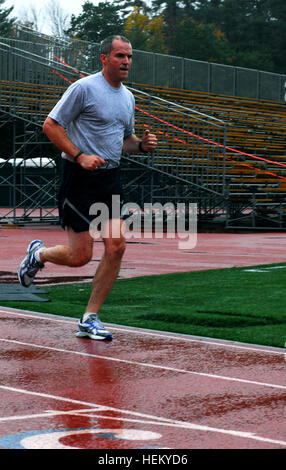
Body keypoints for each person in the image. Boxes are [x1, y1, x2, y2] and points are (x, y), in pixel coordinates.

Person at [17, 35, 157, 341]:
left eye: (130, 56)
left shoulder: (128, 98)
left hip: (110, 178)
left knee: (116, 246)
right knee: (80, 256)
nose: (127, 62)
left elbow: (125, 141)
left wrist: (142, 146)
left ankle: (89, 317)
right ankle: (38, 255)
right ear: (105, 58)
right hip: (78, 177)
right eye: (120, 56)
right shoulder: (83, 88)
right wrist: (80, 156)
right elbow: (51, 125)